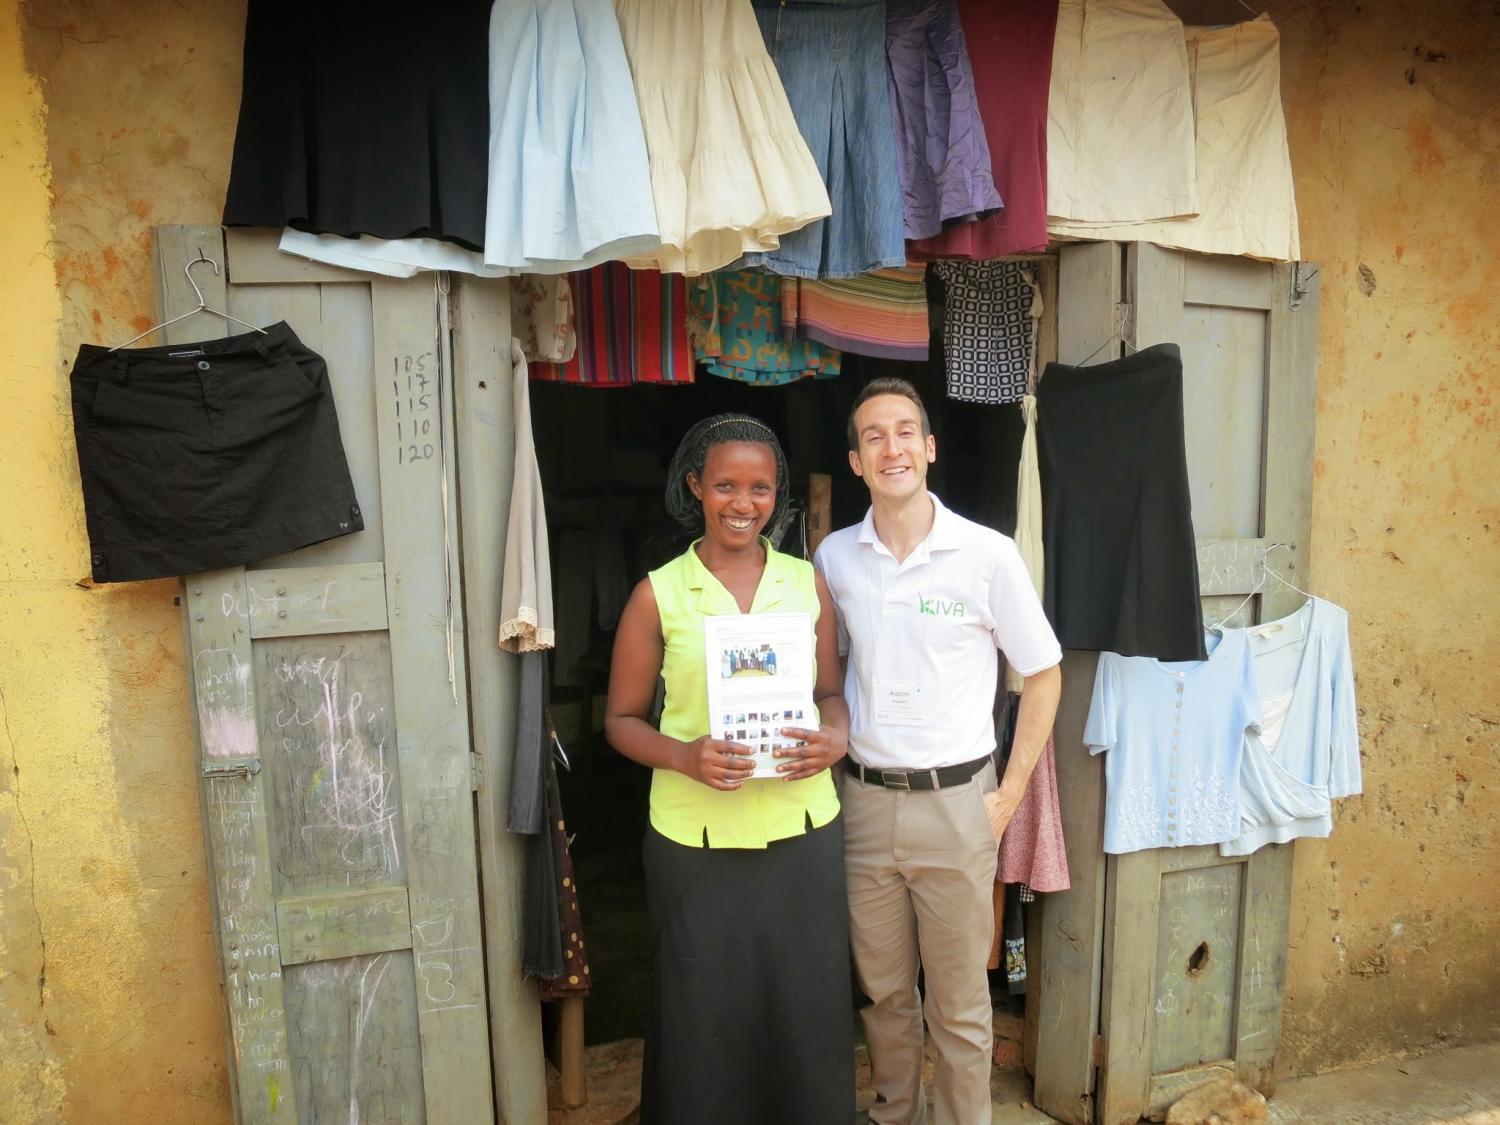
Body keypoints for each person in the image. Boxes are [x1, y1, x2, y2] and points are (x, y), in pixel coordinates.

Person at [814, 378, 1063, 1125]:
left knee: (958, 1004)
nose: (890, 447)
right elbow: (828, 671)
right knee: (885, 993)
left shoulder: (986, 556)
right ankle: (895, 1115)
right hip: (864, 800)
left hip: (959, 803)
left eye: (903, 432)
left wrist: (1010, 793)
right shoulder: (833, 557)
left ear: (929, 447)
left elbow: (1044, 674)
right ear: (856, 460)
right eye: (873, 436)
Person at [605, 413, 855, 1124]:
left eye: (759, 488)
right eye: (724, 485)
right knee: (702, 1007)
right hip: (695, 841)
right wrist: (683, 755)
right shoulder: (660, 593)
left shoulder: (807, 585)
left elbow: (831, 695)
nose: (742, 503)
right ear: (696, 487)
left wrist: (835, 738)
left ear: (777, 495)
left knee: (802, 1004)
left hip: (802, 831)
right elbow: (620, 721)